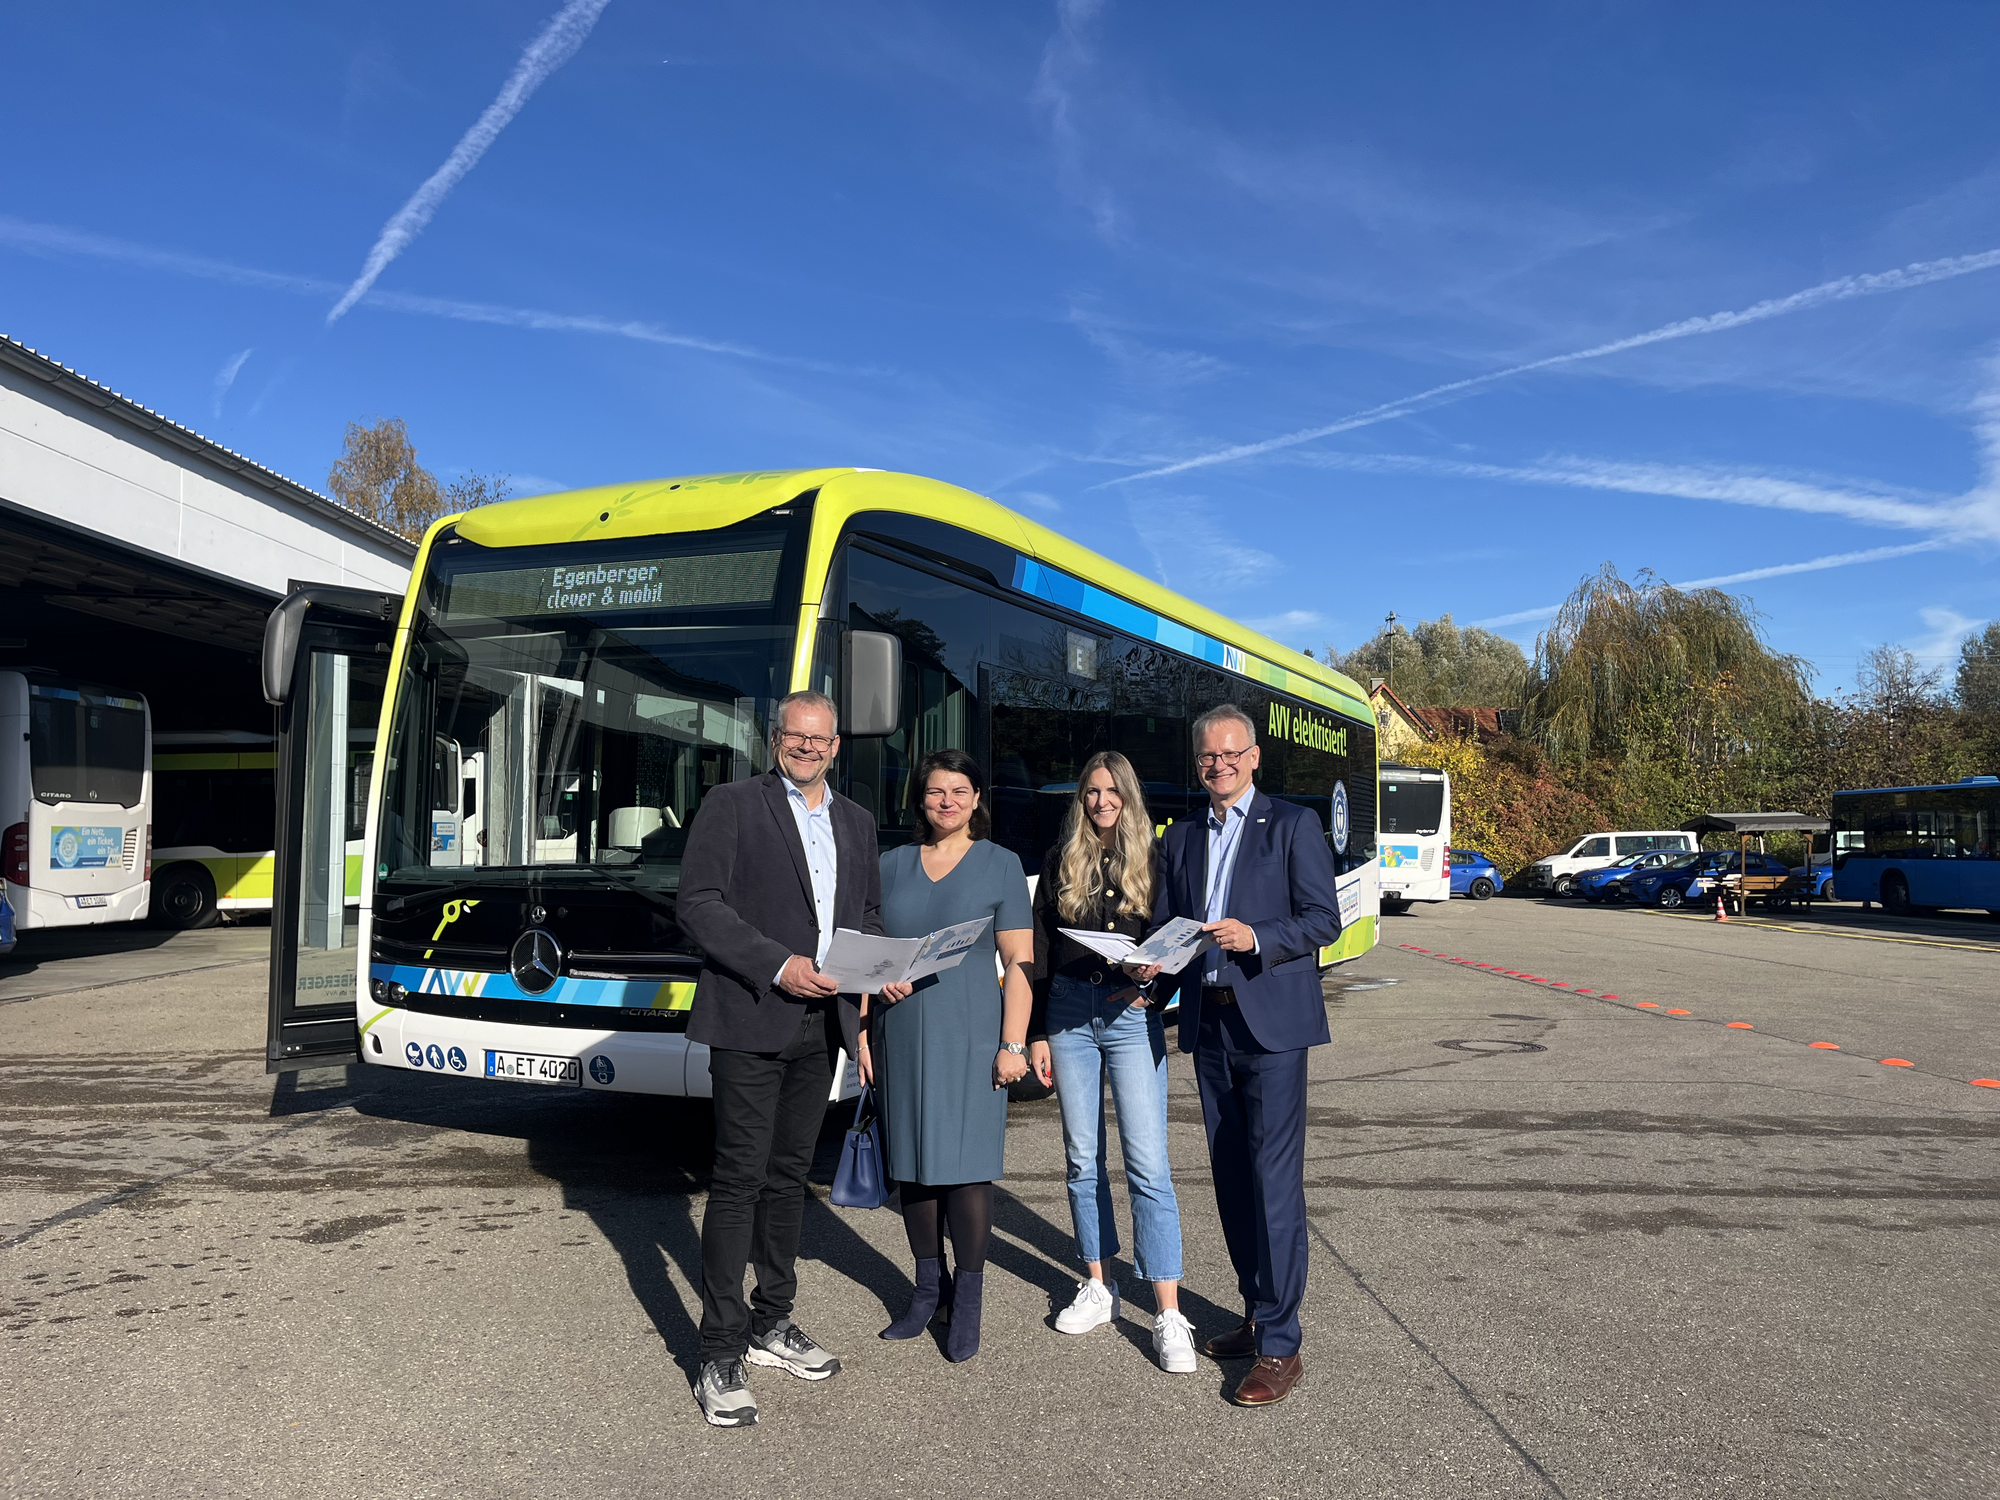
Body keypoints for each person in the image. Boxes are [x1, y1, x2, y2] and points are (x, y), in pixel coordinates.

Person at [676, 690, 881, 1428]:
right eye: (796, 736)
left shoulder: (856, 821)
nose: (808, 747)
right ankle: (720, 1350)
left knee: (789, 1179)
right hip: (751, 1014)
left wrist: (871, 979)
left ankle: (772, 1321)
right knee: (737, 1180)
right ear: (775, 739)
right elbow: (697, 904)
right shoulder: (732, 805)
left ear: (836, 744)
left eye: (821, 738)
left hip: (822, 1024)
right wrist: (777, 965)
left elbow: (867, 919)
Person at [1138, 704, 1340, 1408]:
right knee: (1229, 1180)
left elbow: (1323, 921)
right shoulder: (1184, 835)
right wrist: (1146, 967)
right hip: (1210, 1025)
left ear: (1254, 758)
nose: (1218, 766)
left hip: (1274, 1029)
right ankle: (1258, 1314)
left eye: (1230, 754)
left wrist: (1256, 937)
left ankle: (1282, 1346)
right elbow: (1170, 926)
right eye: (1206, 757)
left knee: (1274, 1183)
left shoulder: (1291, 825)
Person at [859, 748, 1035, 1363]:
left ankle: (969, 1303)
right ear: (921, 799)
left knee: (965, 1169)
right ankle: (927, 1293)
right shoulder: (889, 865)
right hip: (899, 1032)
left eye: (960, 791)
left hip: (972, 1034)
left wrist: (1013, 1044)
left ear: (977, 799)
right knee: (911, 1167)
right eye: (936, 792)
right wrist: (862, 1026)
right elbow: (865, 952)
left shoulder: (1001, 864)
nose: (947, 802)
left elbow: (1018, 963)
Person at [1028, 751, 1194, 1373]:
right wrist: (1040, 1030)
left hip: (1130, 1015)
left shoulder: (1157, 856)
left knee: (1147, 1162)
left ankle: (1169, 1311)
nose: (1101, 801)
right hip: (1069, 1013)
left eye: (1111, 791)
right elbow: (1042, 946)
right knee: (1081, 1158)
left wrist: (1152, 984)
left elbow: (1178, 940)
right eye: (1092, 792)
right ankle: (1100, 1284)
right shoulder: (1060, 858)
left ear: (1128, 796)